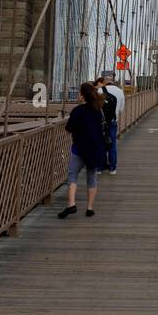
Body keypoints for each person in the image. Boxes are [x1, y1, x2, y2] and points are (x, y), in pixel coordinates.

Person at [58, 82, 107, 219]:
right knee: (91, 177)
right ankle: (90, 209)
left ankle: (71, 204)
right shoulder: (99, 110)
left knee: (72, 175)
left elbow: (69, 128)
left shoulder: (78, 111)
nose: (78, 95)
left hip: (79, 148)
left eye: (79, 93)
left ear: (83, 95)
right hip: (95, 149)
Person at [97, 71, 126, 174]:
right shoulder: (120, 91)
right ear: (113, 81)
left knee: (100, 143)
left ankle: (100, 168)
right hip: (113, 122)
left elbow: (96, 107)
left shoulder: (100, 90)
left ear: (105, 82)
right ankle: (112, 168)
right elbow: (121, 109)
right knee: (112, 144)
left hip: (101, 122)